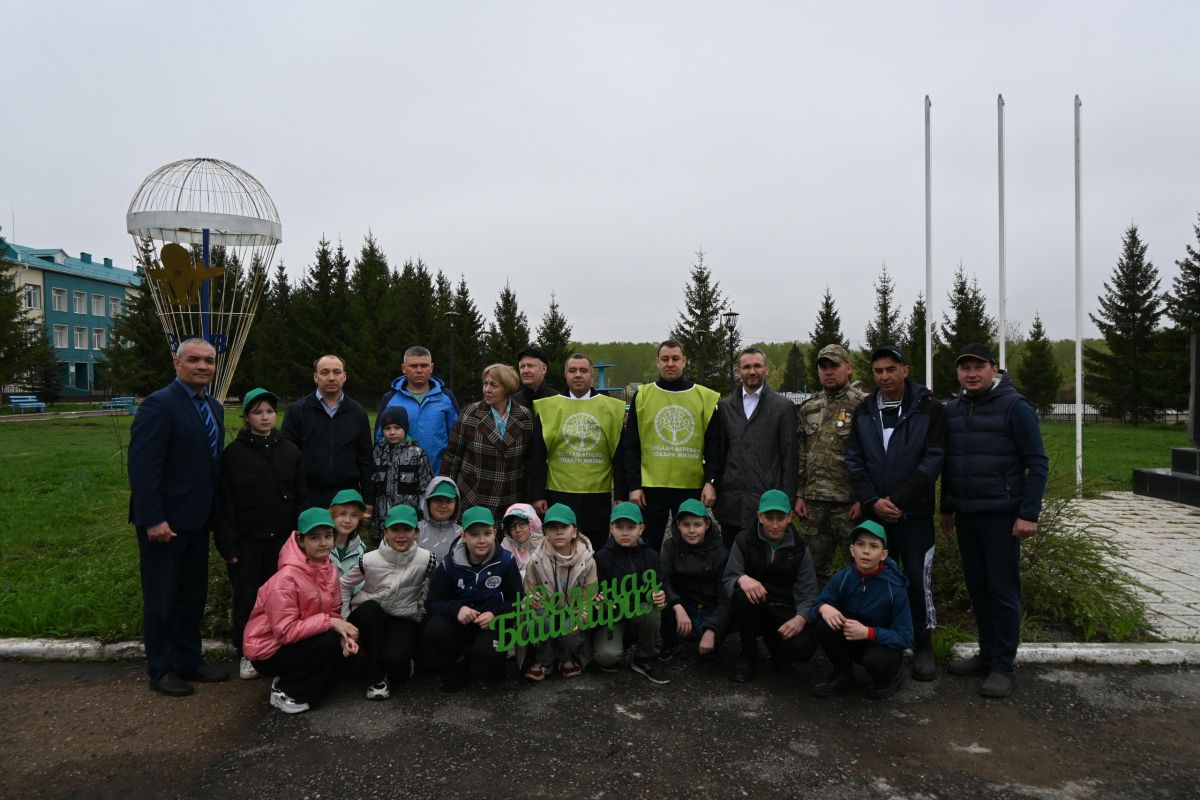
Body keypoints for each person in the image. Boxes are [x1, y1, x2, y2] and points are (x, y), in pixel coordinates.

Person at [941, 343, 1049, 698]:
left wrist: (1028, 513)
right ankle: (987, 655)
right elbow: (951, 464)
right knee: (979, 589)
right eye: (965, 368)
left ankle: (1004, 665)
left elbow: (1037, 462)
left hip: (1002, 517)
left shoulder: (1014, 407)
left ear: (993, 369)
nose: (971, 374)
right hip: (967, 514)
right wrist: (947, 507)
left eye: (978, 367)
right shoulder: (954, 410)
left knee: (1003, 591)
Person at [128, 337, 228, 696]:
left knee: (192, 594)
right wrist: (153, 518)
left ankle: (189, 660)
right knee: (162, 598)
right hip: (164, 524)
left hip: (198, 520)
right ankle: (161, 668)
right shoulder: (159, 405)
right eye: (194, 360)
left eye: (209, 361)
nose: (203, 366)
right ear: (177, 363)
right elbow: (143, 468)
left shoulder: (213, 407)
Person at [844, 344, 945, 682]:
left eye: (891, 369)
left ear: (906, 369)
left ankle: (923, 646)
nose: (884, 377)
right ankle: (880, 645)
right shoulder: (864, 410)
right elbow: (854, 460)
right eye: (878, 371)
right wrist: (873, 501)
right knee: (873, 580)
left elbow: (933, 460)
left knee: (916, 581)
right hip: (874, 515)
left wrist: (897, 500)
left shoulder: (928, 409)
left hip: (912, 514)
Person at [215, 387, 306, 681]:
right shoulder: (233, 455)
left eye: (269, 411)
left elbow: (300, 498)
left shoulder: (290, 451)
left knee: (282, 599)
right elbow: (224, 504)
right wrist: (229, 546)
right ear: (246, 418)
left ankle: (280, 650)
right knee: (247, 598)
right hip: (248, 543)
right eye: (257, 412)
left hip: (282, 543)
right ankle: (247, 653)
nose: (265, 417)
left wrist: (299, 541)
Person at [243, 508, 360, 714]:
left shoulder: (329, 568)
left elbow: (333, 611)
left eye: (328, 536)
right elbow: (285, 632)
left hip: (298, 639)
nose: (323, 543)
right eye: (315, 538)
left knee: (339, 648)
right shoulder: (286, 578)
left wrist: (343, 636)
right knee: (327, 643)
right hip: (267, 650)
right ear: (300, 541)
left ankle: (292, 679)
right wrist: (331, 623)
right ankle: (285, 691)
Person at [619, 340, 723, 551]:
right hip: (651, 487)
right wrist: (634, 485)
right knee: (648, 544)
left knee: (690, 544)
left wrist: (711, 481)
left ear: (685, 361)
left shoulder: (704, 396)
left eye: (675, 358)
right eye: (665, 359)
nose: (670, 363)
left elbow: (715, 444)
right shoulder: (643, 395)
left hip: (691, 486)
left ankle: (685, 585)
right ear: (657, 362)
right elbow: (631, 444)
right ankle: (652, 584)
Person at [528, 353, 627, 551]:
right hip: (559, 491)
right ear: (565, 375)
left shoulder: (611, 408)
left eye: (583, 370)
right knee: (559, 545)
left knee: (595, 547)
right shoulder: (548, 407)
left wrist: (621, 493)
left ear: (592, 375)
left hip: (597, 494)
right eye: (572, 370)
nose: (578, 375)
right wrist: (538, 494)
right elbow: (537, 455)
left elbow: (620, 453)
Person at [341, 505, 438, 700]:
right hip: (368, 616)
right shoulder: (368, 560)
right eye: (395, 529)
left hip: (402, 618)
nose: (400, 535)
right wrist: (343, 620)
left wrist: (419, 614)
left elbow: (434, 587)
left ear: (416, 533)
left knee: (397, 665)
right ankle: (376, 680)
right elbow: (343, 584)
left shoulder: (427, 559)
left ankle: (400, 664)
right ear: (385, 532)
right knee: (372, 610)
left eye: (407, 530)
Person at [809, 520, 913, 700]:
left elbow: (905, 637)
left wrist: (869, 633)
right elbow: (814, 609)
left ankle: (892, 677)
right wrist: (823, 607)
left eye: (874, 546)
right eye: (860, 544)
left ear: (883, 554)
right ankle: (843, 675)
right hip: (852, 639)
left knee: (876, 661)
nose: (866, 551)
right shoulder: (843, 577)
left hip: (879, 645)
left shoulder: (895, 588)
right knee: (823, 623)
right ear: (851, 550)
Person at [423, 506, 523, 692]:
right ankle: (459, 662)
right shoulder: (448, 564)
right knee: (435, 629)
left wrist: (496, 614)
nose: (481, 540)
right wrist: (456, 609)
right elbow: (432, 602)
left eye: (486, 533)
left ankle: (494, 663)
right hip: (461, 624)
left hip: (492, 625)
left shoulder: (506, 562)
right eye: (474, 534)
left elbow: (517, 601)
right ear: (463, 536)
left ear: (494, 533)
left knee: (488, 654)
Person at [724, 489, 818, 683]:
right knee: (742, 595)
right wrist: (742, 579)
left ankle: (777, 648)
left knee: (804, 648)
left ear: (790, 517)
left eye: (781, 518)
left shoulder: (800, 549)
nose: (775, 525)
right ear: (759, 517)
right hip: (755, 605)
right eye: (769, 517)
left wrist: (800, 618)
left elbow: (808, 593)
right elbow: (728, 579)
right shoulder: (742, 541)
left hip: (783, 609)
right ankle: (748, 654)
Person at [793, 343, 867, 585]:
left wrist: (863, 498)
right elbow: (802, 453)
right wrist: (800, 494)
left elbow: (872, 456)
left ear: (848, 368)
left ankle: (855, 619)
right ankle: (817, 618)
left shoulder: (863, 406)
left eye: (833, 366)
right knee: (814, 571)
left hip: (849, 504)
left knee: (859, 567)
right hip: (814, 504)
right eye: (823, 367)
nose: (828, 371)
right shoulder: (809, 406)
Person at [715, 347, 798, 547]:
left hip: (768, 501)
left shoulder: (783, 407)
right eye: (747, 367)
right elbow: (720, 453)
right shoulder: (726, 407)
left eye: (757, 366)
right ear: (738, 371)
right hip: (732, 501)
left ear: (766, 369)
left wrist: (788, 500)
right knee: (732, 560)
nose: (752, 371)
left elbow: (789, 456)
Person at [440, 364, 533, 520]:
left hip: (511, 498)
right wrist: (445, 491)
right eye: (485, 384)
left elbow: (529, 459)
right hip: (473, 497)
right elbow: (452, 456)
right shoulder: (470, 413)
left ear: (507, 388)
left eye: (493, 385)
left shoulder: (524, 415)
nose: (487, 389)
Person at [592, 502, 670, 684]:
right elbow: (596, 594)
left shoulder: (651, 556)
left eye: (631, 527)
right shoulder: (600, 558)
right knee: (607, 658)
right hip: (613, 615)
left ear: (641, 529)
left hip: (637, 612)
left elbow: (660, 585)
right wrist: (600, 601)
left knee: (651, 611)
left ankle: (646, 656)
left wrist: (659, 595)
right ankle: (620, 643)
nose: (625, 533)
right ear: (611, 528)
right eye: (619, 527)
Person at [281, 354, 373, 509]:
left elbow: (365, 459)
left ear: (344, 376)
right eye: (324, 372)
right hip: (307, 495)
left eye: (336, 372)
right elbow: (286, 458)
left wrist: (369, 498)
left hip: (347, 495)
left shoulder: (357, 412)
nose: (331, 377)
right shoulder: (297, 411)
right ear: (315, 377)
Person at [522, 504, 598, 681]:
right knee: (536, 620)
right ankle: (545, 660)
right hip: (547, 611)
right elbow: (529, 591)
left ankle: (567, 657)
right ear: (545, 532)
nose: (558, 532)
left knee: (570, 629)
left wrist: (585, 612)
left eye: (564, 527)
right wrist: (532, 599)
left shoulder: (588, 561)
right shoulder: (536, 560)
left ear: (575, 532)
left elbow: (590, 594)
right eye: (552, 528)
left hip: (573, 611)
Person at [659, 499, 730, 659]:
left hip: (708, 607)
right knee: (658, 598)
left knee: (708, 653)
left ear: (707, 524)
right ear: (678, 525)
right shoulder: (670, 546)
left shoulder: (720, 553)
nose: (691, 530)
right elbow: (663, 579)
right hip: (681, 605)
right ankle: (671, 641)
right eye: (686, 525)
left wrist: (712, 628)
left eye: (697, 525)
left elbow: (726, 598)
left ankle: (708, 633)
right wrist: (676, 605)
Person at [377, 346, 459, 474]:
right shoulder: (390, 398)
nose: (419, 370)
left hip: (437, 476)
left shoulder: (446, 397)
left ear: (431, 368)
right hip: (399, 478)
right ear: (404, 368)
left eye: (424, 366)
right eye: (414, 366)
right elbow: (379, 439)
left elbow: (456, 439)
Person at [369, 406, 433, 545]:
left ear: (405, 428)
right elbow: (372, 487)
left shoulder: (418, 454)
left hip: (408, 518)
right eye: (387, 428)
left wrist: (423, 517)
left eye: (397, 427)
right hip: (382, 520)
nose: (392, 432)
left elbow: (425, 489)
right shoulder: (377, 454)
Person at [418, 476, 463, 560]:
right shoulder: (416, 531)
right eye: (437, 500)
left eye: (449, 501)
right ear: (428, 502)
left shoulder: (462, 534)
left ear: (456, 504)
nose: (443, 505)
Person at [500, 502, 544, 580]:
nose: (518, 530)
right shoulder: (506, 545)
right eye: (513, 526)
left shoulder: (542, 545)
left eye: (522, 524)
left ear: (531, 524)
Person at [329, 489, 367, 578]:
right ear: (332, 515)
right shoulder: (321, 546)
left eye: (354, 515)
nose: (348, 520)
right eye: (342, 514)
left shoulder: (360, 549)